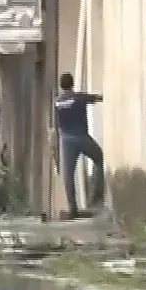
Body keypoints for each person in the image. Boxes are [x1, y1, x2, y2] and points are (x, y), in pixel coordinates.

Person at [54, 72, 105, 219]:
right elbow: (96, 98)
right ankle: (96, 196)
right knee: (99, 157)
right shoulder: (79, 97)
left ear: (61, 85)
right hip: (81, 137)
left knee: (68, 175)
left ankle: (73, 209)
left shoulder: (57, 102)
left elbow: (57, 124)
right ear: (72, 83)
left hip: (66, 139)